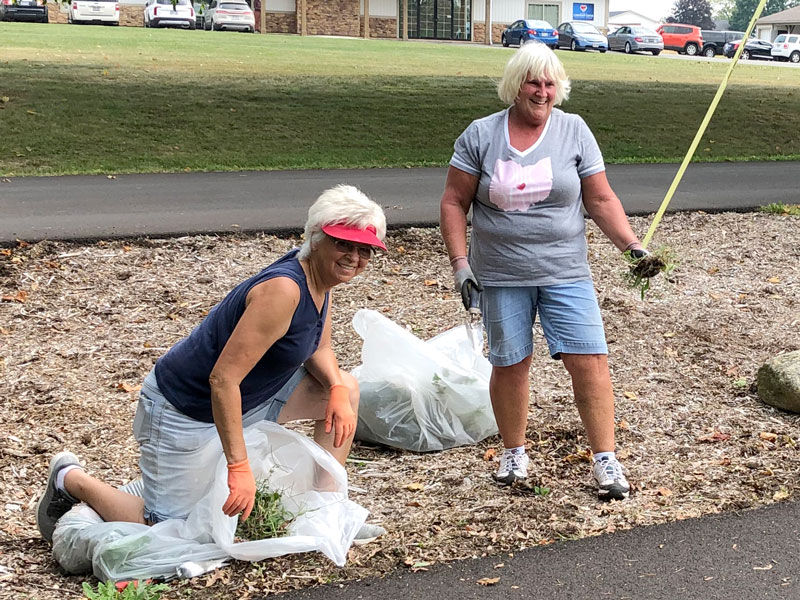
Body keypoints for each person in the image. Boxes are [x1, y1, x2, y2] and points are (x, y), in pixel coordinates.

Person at [37, 184, 388, 542]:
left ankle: (326, 513)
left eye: (365, 250)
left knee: (347, 388)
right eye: (343, 243)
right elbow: (222, 379)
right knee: (168, 529)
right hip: (185, 408)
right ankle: (71, 479)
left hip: (249, 397)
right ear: (316, 238)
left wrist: (337, 388)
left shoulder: (320, 281)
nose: (354, 257)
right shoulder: (285, 290)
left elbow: (319, 346)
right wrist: (239, 468)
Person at [440, 42, 646, 501]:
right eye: (534, 81)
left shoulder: (574, 131)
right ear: (516, 85)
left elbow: (601, 199)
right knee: (510, 362)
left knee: (589, 360)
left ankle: (605, 459)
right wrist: (461, 266)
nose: (542, 90)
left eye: (550, 83)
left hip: (565, 270)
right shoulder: (480, 134)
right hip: (499, 272)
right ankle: (513, 452)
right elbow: (454, 201)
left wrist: (632, 247)